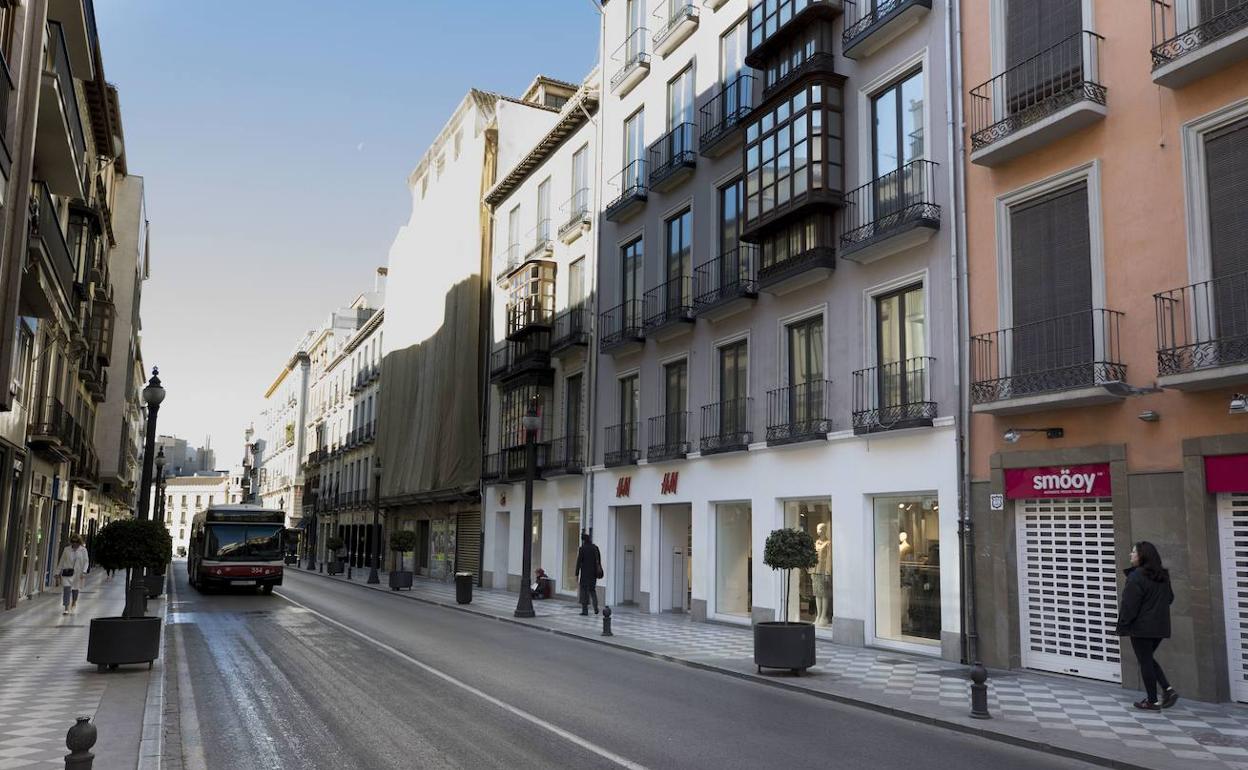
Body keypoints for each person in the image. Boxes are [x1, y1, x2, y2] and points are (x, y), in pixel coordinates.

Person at [1116, 541, 1179, 711]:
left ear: (1142, 556)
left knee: (1145, 661)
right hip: (1159, 627)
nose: (1131, 555)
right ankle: (1167, 690)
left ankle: (1152, 700)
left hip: (1141, 627)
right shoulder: (1162, 576)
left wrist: (1123, 624)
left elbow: (1130, 605)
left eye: (1134, 552)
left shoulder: (1136, 577)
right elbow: (1170, 599)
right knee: (1148, 659)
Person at [55, 534, 91, 615]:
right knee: (66, 589)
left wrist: (84, 571)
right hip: (67, 572)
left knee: (75, 589)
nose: (74, 543)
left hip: (78, 574)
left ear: (79, 542)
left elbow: (86, 562)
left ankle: (74, 601)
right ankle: (66, 607)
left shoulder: (83, 550)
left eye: (76, 542)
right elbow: (61, 561)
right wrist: (57, 572)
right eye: (73, 542)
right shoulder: (66, 550)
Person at [574, 532, 602, 616]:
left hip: (585, 574)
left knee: (584, 592)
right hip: (593, 574)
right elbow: (599, 561)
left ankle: (585, 610)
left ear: (583, 540)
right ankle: (596, 608)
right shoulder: (595, 548)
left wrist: (576, 574)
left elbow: (579, 562)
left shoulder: (582, 549)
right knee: (592, 591)